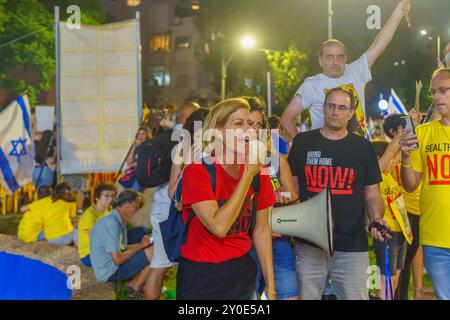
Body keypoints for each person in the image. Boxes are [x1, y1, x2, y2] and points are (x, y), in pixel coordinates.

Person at [287, 88, 388, 300]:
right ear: (323, 108)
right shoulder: (303, 143)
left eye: (342, 107)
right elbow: (292, 190)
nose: (335, 111)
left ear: (351, 112)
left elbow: (372, 194)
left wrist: (377, 218)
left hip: (351, 246)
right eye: (331, 106)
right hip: (309, 246)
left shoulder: (363, 147)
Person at [176, 98, 276, 300]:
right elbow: (219, 227)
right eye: (238, 124)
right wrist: (247, 175)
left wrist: (271, 289)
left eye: (249, 123)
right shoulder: (197, 171)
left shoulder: (260, 170)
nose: (249, 130)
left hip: (242, 274)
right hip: (201, 279)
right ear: (218, 131)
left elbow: (262, 230)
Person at [281, 0, 411, 139]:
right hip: (327, 155)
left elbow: (379, 46)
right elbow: (287, 119)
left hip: (357, 151)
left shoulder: (355, 71)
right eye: (329, 57)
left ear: (345, 59)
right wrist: (303, 148)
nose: (335, 62)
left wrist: (398, 12)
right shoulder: (312, 85)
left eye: (340, 57)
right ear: (320, 60)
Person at [399, 68, 450, 300]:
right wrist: (406, 157)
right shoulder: (422, 133)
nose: (437, 97)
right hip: (434, 239)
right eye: (433, 92)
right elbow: (410, 185)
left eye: (443, 90)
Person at [245, 97, 300, 300]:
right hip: (244, 244)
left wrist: (276, 197)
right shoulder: (230, 160)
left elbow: (293, 195)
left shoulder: (277, 159)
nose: (254, 129)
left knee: (288, 295)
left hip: (278, 239)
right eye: (249, 123)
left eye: (259, 125)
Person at [144, 101, 199, 300]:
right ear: (190, 118)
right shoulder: (185, 139)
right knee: (163, 267)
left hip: (161, 207)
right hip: (172, 209)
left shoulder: (166, 138)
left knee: (160, 265)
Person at [383, 114, 432, 300]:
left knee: (407, 260)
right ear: (395, 132)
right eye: (404, 128)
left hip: (418, 212)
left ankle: (413, 291)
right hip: (402, 215)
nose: (409, 131)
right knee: (397, 268)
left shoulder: (414, 150)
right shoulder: (390, 155)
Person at [90, 190, 152, 297]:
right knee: (154, 253)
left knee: (147, 243)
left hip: (111, 266)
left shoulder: (118, 219)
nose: (138, 209)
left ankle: (133, 282)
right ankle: (133, 288)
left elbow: (122, 248)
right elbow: (118, 260)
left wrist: (142, 245)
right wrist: (141, 246)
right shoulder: (111, 223)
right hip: (109, 273)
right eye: (136, 207)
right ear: (127, 205)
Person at [371, 139, 408, 300]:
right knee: (386, 282)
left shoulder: (390, 176)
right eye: (390, 158)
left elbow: (400, 153)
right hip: (388, 235)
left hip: (402, 234)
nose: (394, 162)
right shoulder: (377, 178)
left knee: (395, 280)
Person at [77, 183, 117, 267]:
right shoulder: (90, 215)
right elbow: (96, 241)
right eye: (106, 196)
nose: (110, 199)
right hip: (89, 255)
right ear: (97, 198)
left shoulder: (108, 209)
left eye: (112, 195)